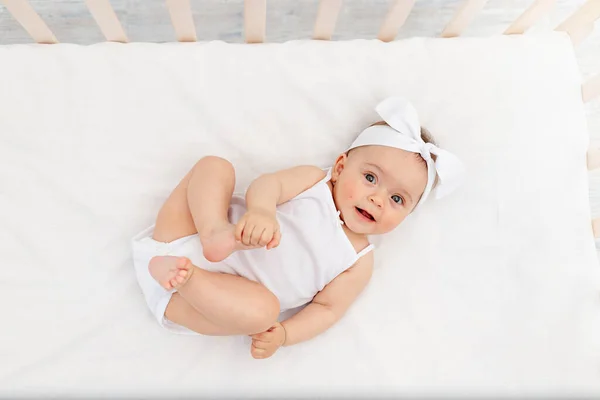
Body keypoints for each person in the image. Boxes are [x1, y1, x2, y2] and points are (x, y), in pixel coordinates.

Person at [131, 96, 465, 359]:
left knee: (263, 313)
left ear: (406, 216)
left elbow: (327, 309)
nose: (377, 199)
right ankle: (214, 230)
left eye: (397, 199)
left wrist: (286, 334)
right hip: (182, 233)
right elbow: (268, 185)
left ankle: (188, 278)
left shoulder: (358, 260)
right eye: (370, 178)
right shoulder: (313, 182)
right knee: (214, 167)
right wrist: (262, 211)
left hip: (197, 301)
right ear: (339, 167)